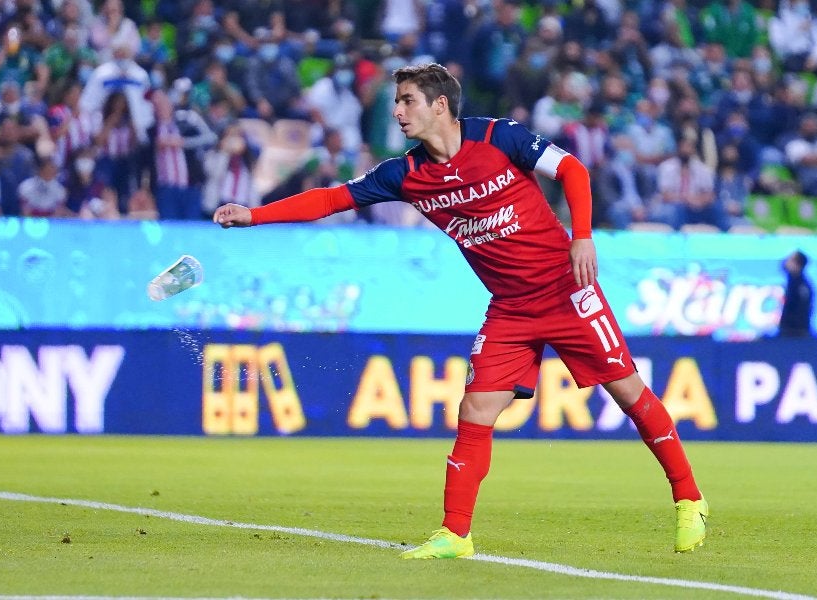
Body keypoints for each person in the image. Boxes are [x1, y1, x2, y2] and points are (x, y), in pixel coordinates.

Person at [213, 63, 708, 557]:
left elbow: (573, 169)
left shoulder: (499, 136)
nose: (398, 110)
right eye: (398, 100)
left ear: (439, 105)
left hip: (565, 289)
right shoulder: (405, 173)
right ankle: (455, 533)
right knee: (475, 409)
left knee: (626, 391)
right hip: (511, 308)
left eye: (407, 100)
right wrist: (255, 214)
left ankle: (689, 499)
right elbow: (332, 198)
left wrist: (581, 238)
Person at [778, 250, 814, 337]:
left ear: (797, 265)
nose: (785, 262)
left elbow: (800, 312)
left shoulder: (801, 286)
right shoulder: (792, 283)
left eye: (789, 260)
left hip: (795, 335)